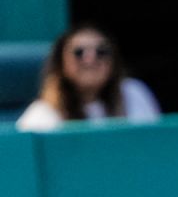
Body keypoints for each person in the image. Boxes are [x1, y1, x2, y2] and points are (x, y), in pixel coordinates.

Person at [16, 24, 160, 132]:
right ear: (61, 64)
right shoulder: (42, 114)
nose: (90, 59)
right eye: (79, 52)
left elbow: (155, 145)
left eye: (101, 52)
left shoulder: (133, 93)